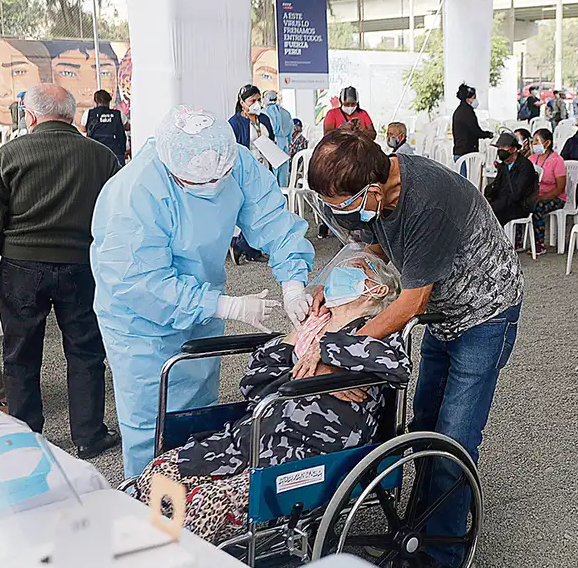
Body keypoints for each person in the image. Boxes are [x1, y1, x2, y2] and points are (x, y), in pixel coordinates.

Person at [305, 131, 522, 566]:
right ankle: (422, 524)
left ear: (372, 189)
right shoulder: (372, 199)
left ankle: (440, 554)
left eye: (343, 205)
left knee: (455, 438)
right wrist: (331, 286)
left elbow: (411, 301)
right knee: (424, 423)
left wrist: (339, 351)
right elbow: (370, 250)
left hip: (484, 311)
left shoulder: (426, 201)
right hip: (441, 315)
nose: (340, 214)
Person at [90, 105, 316, 477]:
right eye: (199, 183)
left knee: (197, 415)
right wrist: (224, 306)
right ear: (173, 170)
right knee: (151, 424)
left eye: (220, 177)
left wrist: (293, 283)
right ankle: (146, 502)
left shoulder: (235, 161)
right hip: (139, 324)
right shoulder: (135, 191)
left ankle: (193, 495)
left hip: (203, 308)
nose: (213, 186)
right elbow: (139, 281)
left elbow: (273, 220)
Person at [134, 250, 405, 544]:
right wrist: (297, 338)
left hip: (307, 452)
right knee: (157, 474)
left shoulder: (377, 331)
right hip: (255, 435)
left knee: (202, 505)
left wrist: (324, 351)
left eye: (357, 269)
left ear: (377, 289)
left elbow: (398, 365)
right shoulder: (310, 328)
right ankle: (150, 544)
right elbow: (253, 383)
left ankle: (168, 551)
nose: (340, 274)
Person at [0, 84, 120, 459]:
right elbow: (117, 216)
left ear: (30, 116)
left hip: (20, 267)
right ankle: (89, 436)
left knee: (20, 355)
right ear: (72, 115)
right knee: (85, 351)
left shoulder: (11, 154)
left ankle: (28, 437)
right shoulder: (102, 156)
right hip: (82, 266)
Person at [228, 84, 273, 264]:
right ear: (242, 102)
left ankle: (248, 247)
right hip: (245, 172)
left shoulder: (264, 119)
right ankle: (244, 245)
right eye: (252, 100)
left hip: (265, 168)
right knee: (251, 209)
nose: (256, 104)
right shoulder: (235, 122)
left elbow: (272, 140)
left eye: (259, 100)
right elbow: (232, 149)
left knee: (265, 207)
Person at [485, 132, 538, 226]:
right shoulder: (504, 165)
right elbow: (497, 187)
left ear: (514, 149)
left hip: (519, 206)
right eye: (499, 148)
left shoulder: (525, 166)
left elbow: (517, 195)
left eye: (504, 147)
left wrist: (495, 206)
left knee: (490, 215)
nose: (500, 151)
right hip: (504, 203)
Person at [529, 129, 567, 255]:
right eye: (533, 141)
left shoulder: (557, 160)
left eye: (537, 141)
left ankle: (539, 244)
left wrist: (542, 197)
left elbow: (560, 188)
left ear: (547, 143)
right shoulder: (531, 158)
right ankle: (517, 242)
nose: (534, 144)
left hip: (555, 197)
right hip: (536, 195)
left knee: (537, 207)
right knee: (518, 204)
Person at [451, 83, 492, 162]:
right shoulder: (467, 113)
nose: (476, 100)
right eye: (474, 98)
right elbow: (476, 131)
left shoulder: (460, 110)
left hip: (460, 151)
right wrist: (488, 134)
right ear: (468, 99)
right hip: (466, 154)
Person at [85, 89, 127, 165]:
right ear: (109, 102)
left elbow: (83, 129)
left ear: (95, 102)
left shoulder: (89, 113)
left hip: (96, 154)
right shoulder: (118, 114)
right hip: (116, 154)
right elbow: (127, 126)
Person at [261, 90, 294, 187]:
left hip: (269, 148)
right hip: (284, 147)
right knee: (283, 179)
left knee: (271, 179)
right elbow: (290, 132)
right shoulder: (286, 113)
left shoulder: (263, 114)